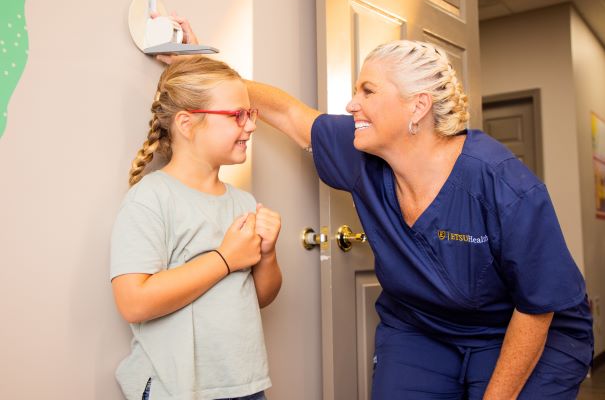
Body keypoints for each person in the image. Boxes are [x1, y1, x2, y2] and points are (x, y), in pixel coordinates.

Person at [161, 21, 593, 398]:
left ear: (417, 107)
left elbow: (538, 307)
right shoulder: (359, 153)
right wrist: (204, 69)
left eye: (367, 91)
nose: (351, 105)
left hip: (523, 328)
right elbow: (290, 114)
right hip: (421, 326)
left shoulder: (503, 184)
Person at [110, 56, 282, 400]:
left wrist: (267, 255)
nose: (250, 126)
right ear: (187, 124)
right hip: (176, 390)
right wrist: (225, 259)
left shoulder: (244, 203)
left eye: (251, 114)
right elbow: (134, 302)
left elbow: (261, 297)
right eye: (237, 115)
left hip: (245, 386)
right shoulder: (151, 199)